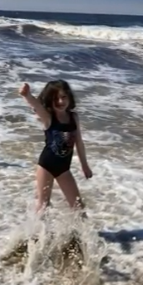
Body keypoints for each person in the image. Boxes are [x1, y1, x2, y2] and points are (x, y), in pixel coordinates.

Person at [19, 80, 92, 215]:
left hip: (64, 169)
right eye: (56, 98)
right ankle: (36, 235)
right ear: (49, 100)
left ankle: (82, 235)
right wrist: (27, 95)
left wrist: (84, 165)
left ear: (69, 97)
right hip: (46, 166)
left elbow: (79, 142)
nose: (60, 101)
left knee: (78, 206)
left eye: (63, 97)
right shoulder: (48, 117)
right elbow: (37, 105)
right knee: (43, 205)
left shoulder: (73, 117)